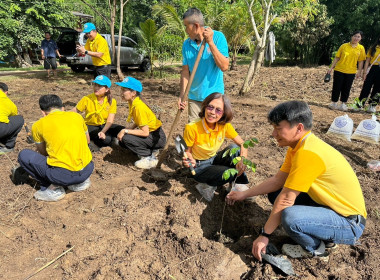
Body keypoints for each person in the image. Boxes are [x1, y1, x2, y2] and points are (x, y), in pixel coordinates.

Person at [226, 101, 367, 260]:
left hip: (349, 223)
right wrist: (243, 194)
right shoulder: (298, 147)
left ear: (299, 128)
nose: (274, 134)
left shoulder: (308, 153)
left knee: (290, 217)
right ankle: (324, 236)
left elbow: (286, 199)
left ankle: (318, 249)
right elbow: (277, 181)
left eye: (278, 129)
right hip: (331, 208)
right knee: (276, 194)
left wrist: (264, 235)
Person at [17, 95, 94, 202]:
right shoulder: (77, 117)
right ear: (62, 108)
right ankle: (80, 183)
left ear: (43, 112)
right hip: (87, 170)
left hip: (62, 176)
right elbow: (87, 141)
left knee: (24, 155)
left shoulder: (38, 125)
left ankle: (54, 189)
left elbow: (43, 152)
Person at [182, 92, 250, 201]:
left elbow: (243, 144)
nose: (213, 112)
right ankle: (206, 184)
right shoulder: (192, 127)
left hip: (214, 159)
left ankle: (238, 184)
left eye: (218, 110)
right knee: (228, 172)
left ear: (223, 113)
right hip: (200, 166)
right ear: (204, 107)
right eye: (210, 107)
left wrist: (242, 159)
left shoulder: (224, 126)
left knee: (234, 149)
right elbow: (187, 152)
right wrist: (189, 160)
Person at [178, 8, 229, 122]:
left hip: (214, 99)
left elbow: (224, 66)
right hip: (194, 98)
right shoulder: (187, 44)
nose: (186, 30)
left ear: (196, 25)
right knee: (194, 132)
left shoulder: (217, 37)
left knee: (211, 132)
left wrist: (210, 42)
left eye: (186, 26)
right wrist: (182, 96)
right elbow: (185, 72)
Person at [115, 77, 166, 169]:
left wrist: (125, 131)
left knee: (126, 138)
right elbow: (139, 121)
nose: (121, 93)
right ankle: (150, 150)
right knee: (122, 139)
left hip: (156, 137)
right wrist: (129, 129)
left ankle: (149, 157)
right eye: (121, 90)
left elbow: (145, 132)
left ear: (133, 93)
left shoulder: (139, 107)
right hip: (153, 136)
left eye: (124, 90)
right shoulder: (134, 102)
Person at [72, 75, 124, 152]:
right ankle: (92, 143)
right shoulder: (87, 99)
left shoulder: (112, 101)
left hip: (104, 125)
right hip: (90, 125)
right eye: (95, 85)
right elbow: (74, 111)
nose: (96, 88)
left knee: (122, 129)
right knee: (106, 140)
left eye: (99, 86)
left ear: (107, 89)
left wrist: (103, 131)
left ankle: (111, 138)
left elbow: (110, 121)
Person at [327, 31, 366, 111]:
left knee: (347, 88)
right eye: (355, 36)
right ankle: (334, 102)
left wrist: (359, 72)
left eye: (358, 37)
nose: (356, 38)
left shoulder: (361, 48)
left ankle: (343, 103)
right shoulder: (344, 46)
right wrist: (331, 67)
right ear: (352, 36)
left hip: (351, 71)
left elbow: (361, 61)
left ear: (361, 38)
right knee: (337, 87)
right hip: (339, 69)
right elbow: (337, 57)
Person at [0, 82, 24, 154]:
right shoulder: (9, 102)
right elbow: (13, 116)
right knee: (19, 119)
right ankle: (8, 146)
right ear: (6, 92)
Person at [357, 37, 380, 113]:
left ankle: (372, 105)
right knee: (366, 87)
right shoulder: (373, 48)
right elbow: (367, 61)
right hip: (372, 68)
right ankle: (360, 104)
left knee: (377, 89)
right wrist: (364, 72)